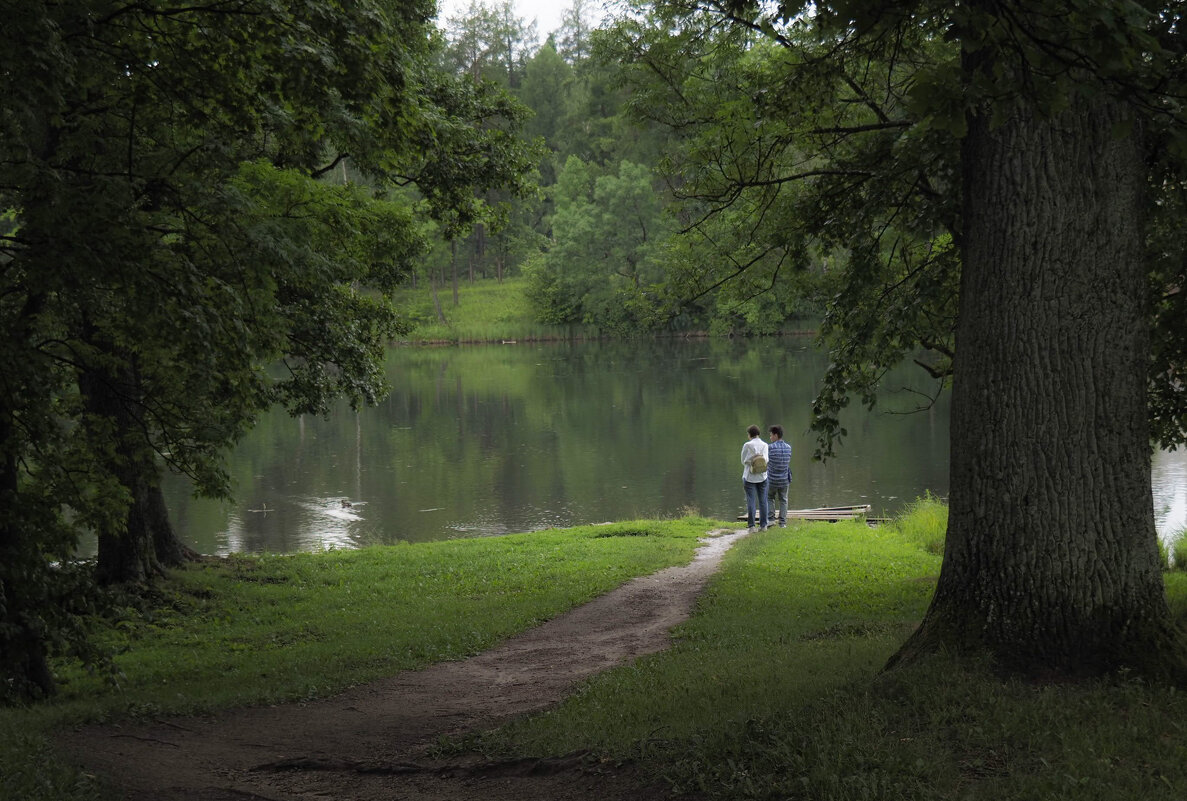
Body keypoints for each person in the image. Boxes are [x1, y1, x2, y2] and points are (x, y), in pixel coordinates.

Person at [740, 424, 769, 531]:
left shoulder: (747, 445)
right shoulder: (765, 445)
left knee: (751, 501)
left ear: (749, 435)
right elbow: (766, 460)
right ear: (758, 434)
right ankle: (764, 525)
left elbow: (743, 461)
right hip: (763, 476)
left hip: (749, 477)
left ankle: (752, 526)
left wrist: (751, 461)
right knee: (763, 501)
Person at [766, 425, 792, 527]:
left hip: (772, 479)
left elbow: (765, 461)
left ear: (776, 435)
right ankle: (782, 523)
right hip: (784, 479)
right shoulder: (788, 448)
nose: (770, 437)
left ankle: (771, 519)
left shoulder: (770, 448)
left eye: (771, 435)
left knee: (769, 497)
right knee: (783, 500)